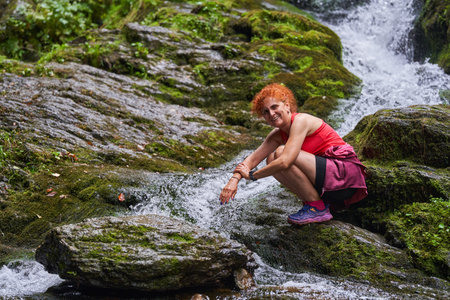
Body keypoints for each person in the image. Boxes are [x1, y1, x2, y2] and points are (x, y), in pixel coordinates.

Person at [219, 83, 367, 225]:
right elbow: (253, 159)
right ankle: (315, 204)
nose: (271, 113)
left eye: (274, 107)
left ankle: (317, 207)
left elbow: (285, 162)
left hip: (345, 178)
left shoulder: (301, 121)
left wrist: (252, 176)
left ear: (287, 105)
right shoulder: (277, 135)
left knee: (281, 153)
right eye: (265, 112)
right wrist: (234, 179)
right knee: (271, 158)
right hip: (328, 185)